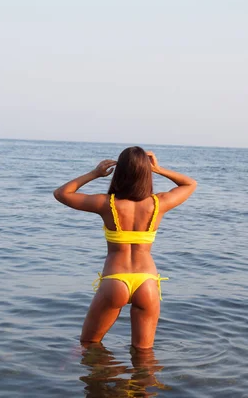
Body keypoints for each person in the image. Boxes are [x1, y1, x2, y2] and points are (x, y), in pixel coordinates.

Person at [53, 146, 196, 349]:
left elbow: (61, 193)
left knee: (88, 345)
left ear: (119, 172)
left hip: (115, 280)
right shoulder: (159, 204)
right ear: (146, 173)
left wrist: (95, 173)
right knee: (144, 356)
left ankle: (94, 379)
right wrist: (158, 169)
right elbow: (190, 184)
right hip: (146, 281)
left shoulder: (106, 204)